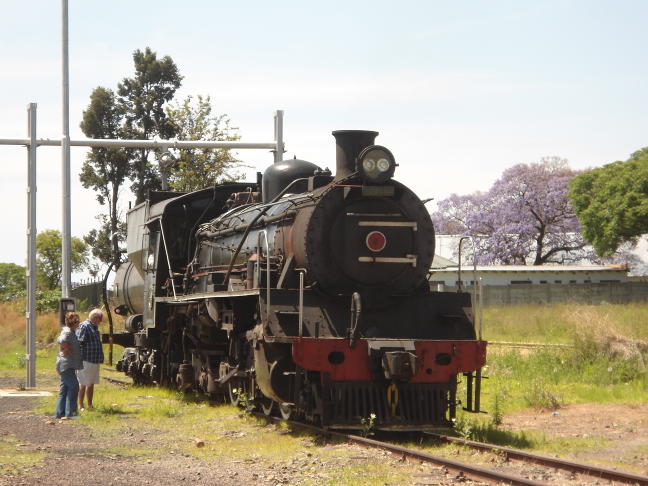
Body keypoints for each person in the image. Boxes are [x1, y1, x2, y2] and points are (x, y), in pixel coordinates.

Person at [55, 312, 83, 419]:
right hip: (66, 365)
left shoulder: (70, 331)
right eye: (77, 321)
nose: (79, 323)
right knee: (74, 386)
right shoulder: (68, 332)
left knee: (64, 389)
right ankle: (71, 413)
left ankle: (60, 413)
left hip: (67, 365)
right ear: (73, 322)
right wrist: (66, 348)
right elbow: (60, 340)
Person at [76, 308, 104, 410]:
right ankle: (80, 405)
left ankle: (89, 405)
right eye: (100, 319)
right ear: (95, 317)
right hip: (86, 359)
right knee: (83, 383)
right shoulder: (84, 326)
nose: (100, 322)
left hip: (94, 359)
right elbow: (79, 342)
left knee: (91, 383)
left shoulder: (94, 327)